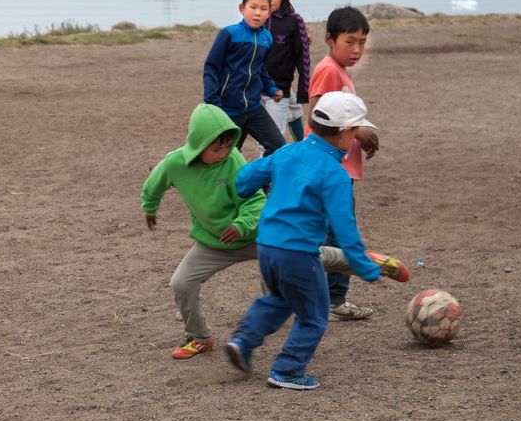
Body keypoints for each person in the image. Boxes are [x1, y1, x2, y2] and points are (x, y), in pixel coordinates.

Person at [141, 103, 407, 361]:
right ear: (198, 143)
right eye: (215, 148)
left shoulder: (232, 158)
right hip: (213, 242)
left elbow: (254, 199)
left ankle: (368, 261)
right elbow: (154, 184)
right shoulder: (175, 163)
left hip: (258, 236)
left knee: (312, 259)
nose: (223, 152)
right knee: (181, 283)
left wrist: (241, 224)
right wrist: (150, 209)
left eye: (227, 145)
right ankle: (199, 337)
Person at [224, 92, 386, 390]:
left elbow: (245, 178)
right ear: (343, 133)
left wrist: (247, 191)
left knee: (279, 299)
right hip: (298, 253)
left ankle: (243, 341)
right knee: (313, 315)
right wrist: (364, 267)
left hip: (267, 247)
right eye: (354, 132)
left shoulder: (287, 152)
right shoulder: (335, 174)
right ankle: (287, 369)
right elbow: (345, 229)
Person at [307, 6, 380, 320]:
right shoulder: (328, 70)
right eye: (350, 41)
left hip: (339, 167)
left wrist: (361, 133)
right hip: (330, 168)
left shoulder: (340, 72)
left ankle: (330, 297)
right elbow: (317, 115)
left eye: (362, 42)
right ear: (329, 39)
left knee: (332, 231)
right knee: (333, 233)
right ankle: (331, 299)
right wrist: (359, 131)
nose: (357, 49)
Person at [203, 0, 286, 158]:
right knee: (226, 155)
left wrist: (271, 89)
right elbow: (211, 67)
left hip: (254, 108)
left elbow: (261, 69)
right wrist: (213, 102)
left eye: (263, 9)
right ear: (242, 9)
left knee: (278, 146)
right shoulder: (229, 34)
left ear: (269, 13)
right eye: (253, 7)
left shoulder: (267, 38)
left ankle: (262, 182)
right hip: (227, 109)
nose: (257, 13)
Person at [257, 0, 309, 145]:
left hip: (279, 90)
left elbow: (303, 56)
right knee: (259, 139)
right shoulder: (255, 20)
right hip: (253, 89)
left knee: (275, 138)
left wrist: (304, 89)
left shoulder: (294, 21)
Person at [271, 0, 311, 142]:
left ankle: (301, 146)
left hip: (282, 80)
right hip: (270, 80)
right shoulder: (268, 13)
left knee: (294, 111)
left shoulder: (291, 14)